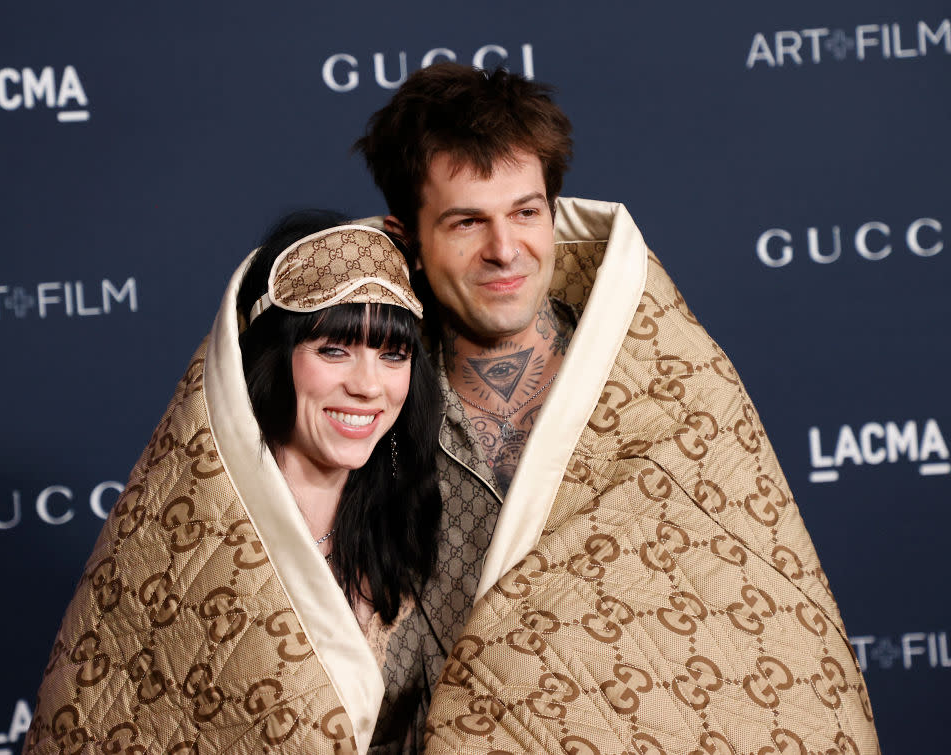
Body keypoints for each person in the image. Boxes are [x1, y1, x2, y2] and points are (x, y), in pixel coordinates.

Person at [354, 62, 881, 753]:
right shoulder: (366, 420)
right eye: (465, 222)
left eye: (525, 211)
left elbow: (774, 639)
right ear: (407, 241)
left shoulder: (671, 382)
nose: (505, 249)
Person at [24, 213, 443, 755]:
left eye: (393, 355)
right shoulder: (188, 537)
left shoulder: (405, 527)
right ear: (276, 359)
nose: (367, 385)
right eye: (333, 349)